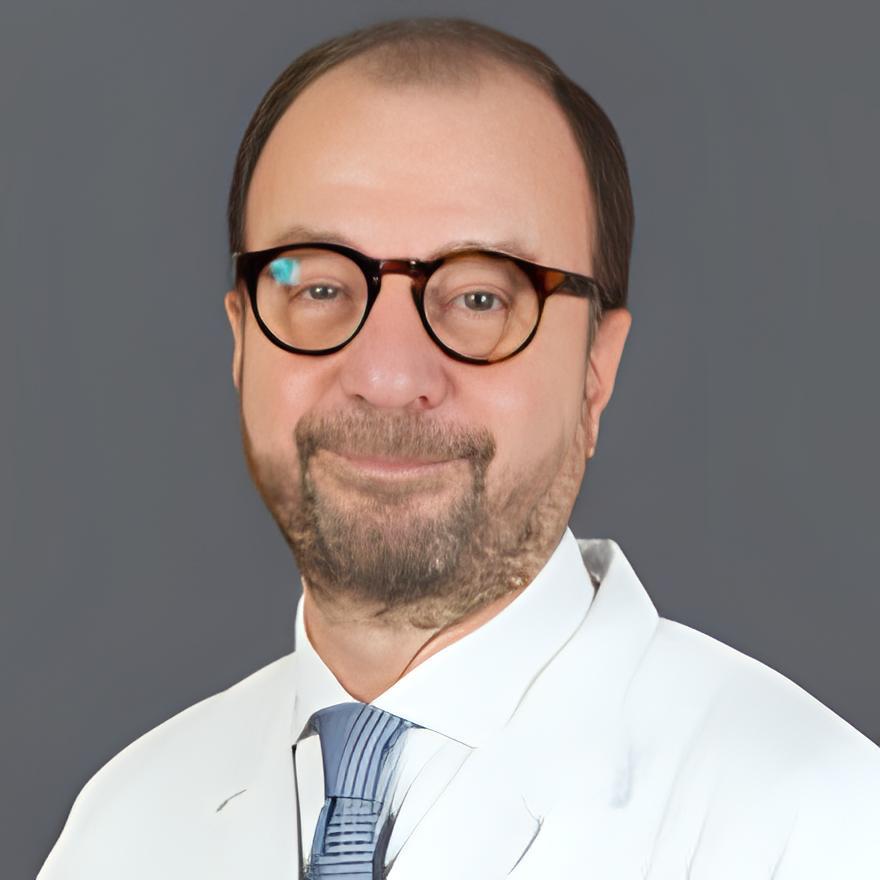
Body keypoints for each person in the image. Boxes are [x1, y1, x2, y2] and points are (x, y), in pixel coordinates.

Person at [38, 16, 880, 880]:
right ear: (242, 341)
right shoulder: (122, 826)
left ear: (596, 369)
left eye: (481, 298)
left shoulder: (823, 825)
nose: (389, 376)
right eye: (319, 286)